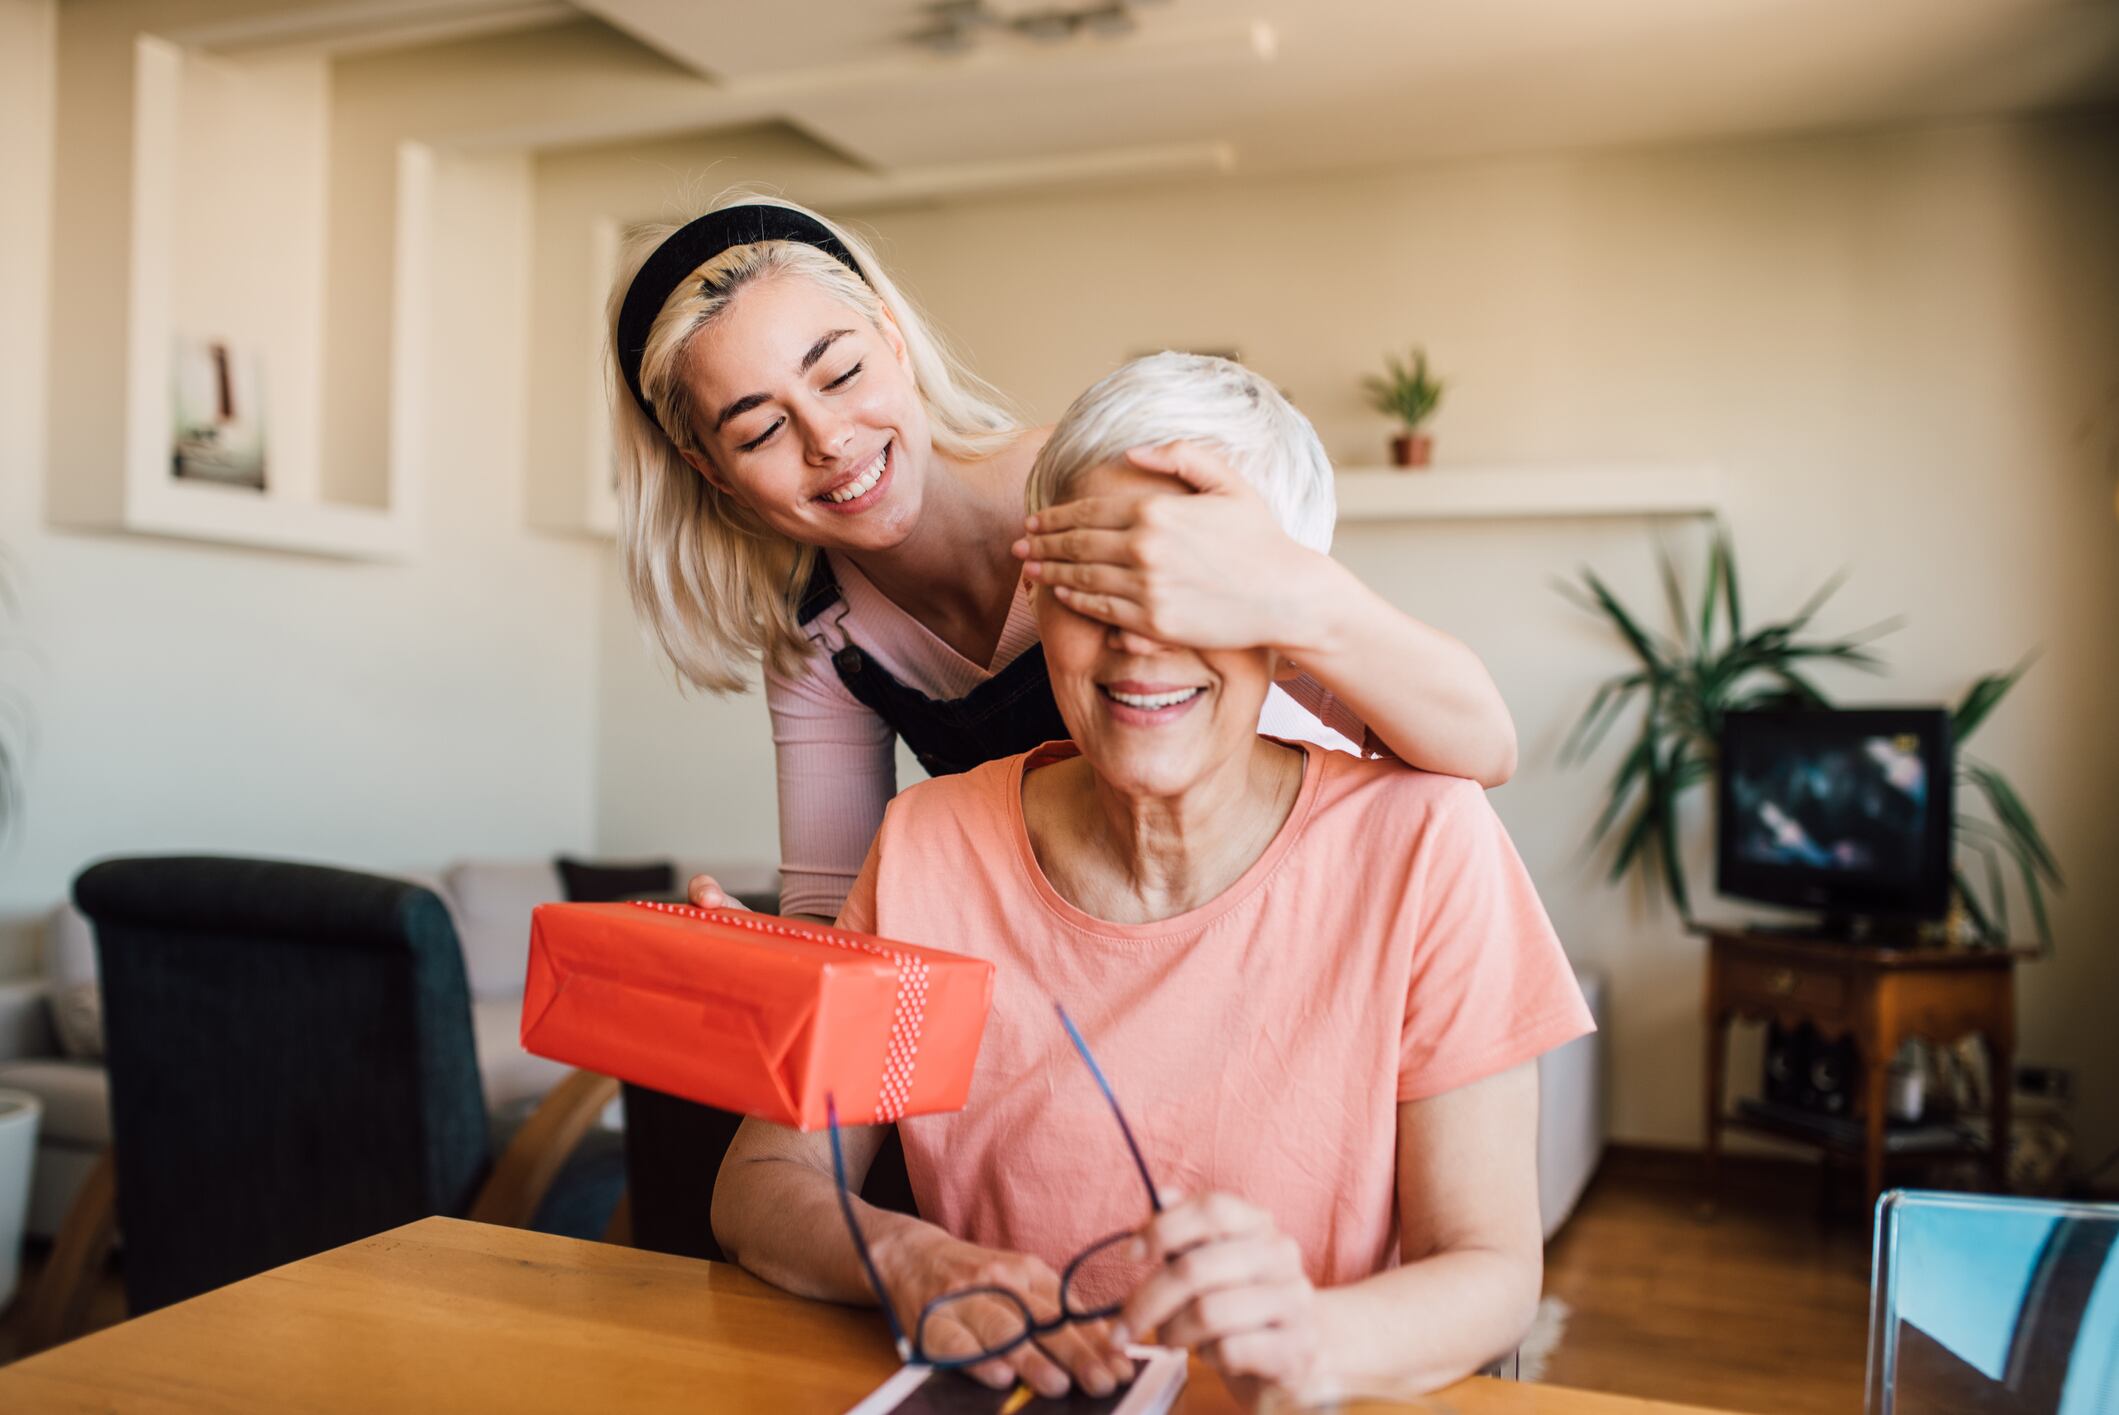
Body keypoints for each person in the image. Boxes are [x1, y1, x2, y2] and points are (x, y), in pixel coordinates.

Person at [709, 354, 1594, 1406]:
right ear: (1039, 590)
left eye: (1198, 593)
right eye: (1100, 583)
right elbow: (762, 1185)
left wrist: (1314, 1336)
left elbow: (1493, 1270)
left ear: (1288, 620)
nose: (1140, 639)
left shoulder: (1426, 841)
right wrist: (904, 1256)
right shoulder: (926, 845)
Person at [607, 195, 1519, 923]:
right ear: (711, 472)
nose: (830, 439)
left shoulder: (1102, 488)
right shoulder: (824, 640)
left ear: (891, 338)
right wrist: (768, 955)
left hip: (1307, 892)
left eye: (840, 373)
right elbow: (846, 914)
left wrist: (1281, 586)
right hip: (1106, 933)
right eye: (761, 428)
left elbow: (1479, 745)